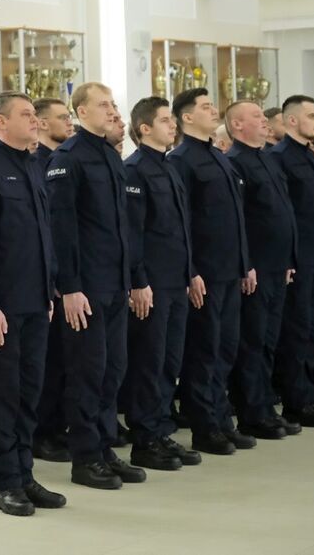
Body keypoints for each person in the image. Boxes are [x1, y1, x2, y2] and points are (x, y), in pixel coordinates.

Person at [0, 93, 66, 517]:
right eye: (25, 115)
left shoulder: (33, 165)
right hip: (1, 307)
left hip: (35, 302)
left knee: (29, 395)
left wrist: (50, 291)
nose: (34, 121)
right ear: (1, 122)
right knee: (2, 396)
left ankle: (25, 474)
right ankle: (5, 482)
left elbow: (43, 237)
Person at [46, 82, 143, 489]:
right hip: (85, 287)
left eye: (113, 104)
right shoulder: (69, 157)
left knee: (113, 370)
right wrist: (69, 287)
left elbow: (122, 226)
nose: (111, 111)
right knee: (88, 372)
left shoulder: (108, 155)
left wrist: (136, 280)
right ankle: (85, 458)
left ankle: (105, 448)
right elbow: (61, 228)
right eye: (103, 105)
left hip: (115, 282)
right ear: (81, 112)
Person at [166, 88, 254, 455]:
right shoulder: (182, 160)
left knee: (225, 348)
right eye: (205, 107)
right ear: (186, 117)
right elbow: (183, 222)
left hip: (230, 269)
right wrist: (192, 271)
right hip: (205, 272)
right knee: (204, 351)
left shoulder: (219, 157)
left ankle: (221, 418)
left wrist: (245, 262)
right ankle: (205, 426)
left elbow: (235, 217)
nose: (212, 110)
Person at [122, 97, 201, 470]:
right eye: (166, 120)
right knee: (148, 362)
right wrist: (139, 280)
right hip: (151, 284)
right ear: (144, 128)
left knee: (170, 361)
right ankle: (145, 438)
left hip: (175, 280)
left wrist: (190, 272)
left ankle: (162, 430)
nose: (174, 126)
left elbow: (180, 228)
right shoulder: (135, 170)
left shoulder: (168, 166)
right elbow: (134, 233)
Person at [224, 101, 296, 441]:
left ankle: (265, 406)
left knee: (268, 339)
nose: (265, 122)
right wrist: (246, 264)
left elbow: (283, 213)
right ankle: (252, 412)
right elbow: (238, 222)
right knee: (252, 341)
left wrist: (288, 259)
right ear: (238, 126)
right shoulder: (236, 162)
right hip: (254, 268)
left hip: (277, 265)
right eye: (256, 116)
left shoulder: (267, 158)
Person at [270, 96, 314, 428]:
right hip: (297, 258)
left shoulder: (312, 156)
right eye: (311, 115)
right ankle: (295, 399)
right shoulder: (280, 159)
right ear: (292, 121)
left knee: (313, 328)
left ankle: (309, 392)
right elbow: (282, 214)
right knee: (296, 328)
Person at [30, 97, 73, 463]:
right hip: (45, 280)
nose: (69, 122)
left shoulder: (62, 161)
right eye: (62, 118)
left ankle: (58, 426)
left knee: (61, 360)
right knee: (46, 362)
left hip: (60, 277)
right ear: (43, 124)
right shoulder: (37, 164)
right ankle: (42, 432)